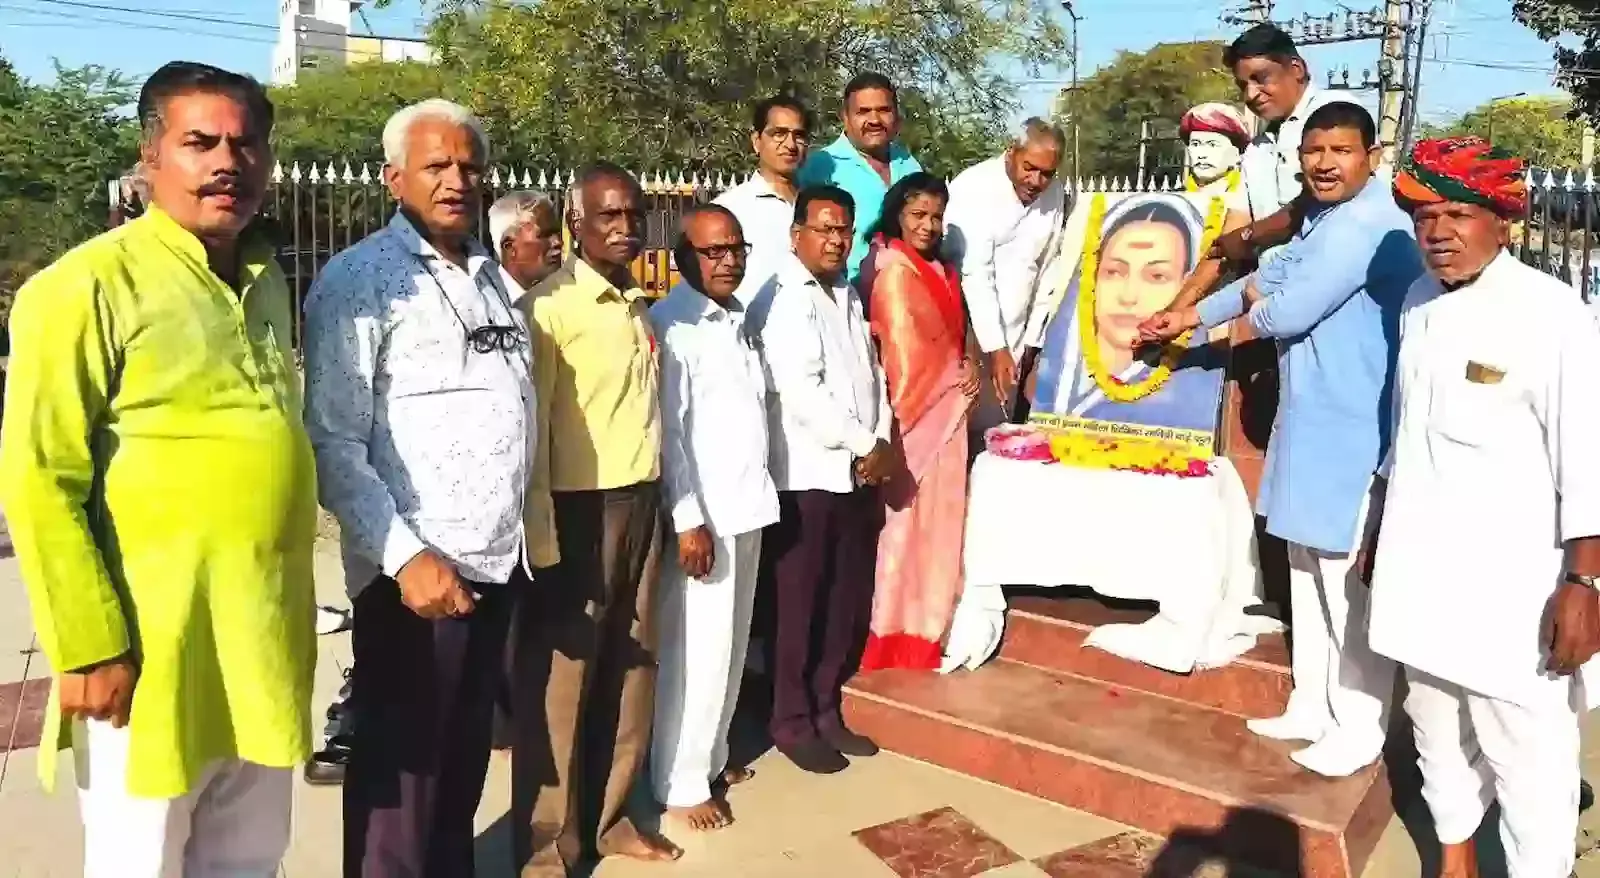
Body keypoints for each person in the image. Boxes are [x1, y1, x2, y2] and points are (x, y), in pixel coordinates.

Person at [0, 61, 316, 876]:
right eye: (200, 143)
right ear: (151, 156)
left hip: (259, 640)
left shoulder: (265, 277)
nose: (228, 163)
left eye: (246, 145)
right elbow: (40, 479)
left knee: (250, 859)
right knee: (140, 860)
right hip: (149, 656)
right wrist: (89, 647)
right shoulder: (82, 287)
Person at [1139, 103, 1421, 777]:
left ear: (1372, 157)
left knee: (1343, 584)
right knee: (1304, 568)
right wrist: (1186, 315)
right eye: (1314, 151)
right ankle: (1313, 704)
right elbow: (1262, 280)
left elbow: (1286, 310)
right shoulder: (1323, 220)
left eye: (1341, 151)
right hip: (1309, 418)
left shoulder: (1373, 224)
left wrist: (1229, 317)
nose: (1324, 163)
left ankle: (1358, 725)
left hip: (1354, 427)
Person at [303, 99, 532, 877]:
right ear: (393, 178)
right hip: (416, 578)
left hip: (494, 564)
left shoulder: (491, 276)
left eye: (469, 165)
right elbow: (333, 441)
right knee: (401, 786)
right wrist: (405, 558)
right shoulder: (360, 280)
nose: (456, 180)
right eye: (436, 165)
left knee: (459, 770)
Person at [1365, 136, 1600, 878]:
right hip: (1418, 566)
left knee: (1529, 756)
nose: (1438, 232)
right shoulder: (1417, 301)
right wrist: (1378, 523)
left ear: (1502, 221)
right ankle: (1455, 862)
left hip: (1512, 585)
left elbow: (1589, 461)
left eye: (1457, 214)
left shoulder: (1552, 315)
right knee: (1435, 728)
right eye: (1424, 217)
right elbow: (1406, 427)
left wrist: (1584, 583)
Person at [513, 162, 682, 876]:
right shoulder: (548, 307)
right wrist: (542, 535)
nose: (624, 227)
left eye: (633, 215)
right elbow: (532, 434)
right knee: (565, 684)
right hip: (579, 511)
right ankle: (549, 847)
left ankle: (610, 818)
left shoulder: (636, 303)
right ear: (576, 224)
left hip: (640, 501)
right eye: (608, 215)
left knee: (631, 668)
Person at [746, 185, 896, 773]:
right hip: (807, 476)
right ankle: (790, 719)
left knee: (841, 601)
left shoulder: (845, 293)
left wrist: (879, 438)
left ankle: (825, 708)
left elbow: (872, 375)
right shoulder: (786, 296)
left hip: (855, 473)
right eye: (824, 229)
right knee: (798, 607)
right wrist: (865, 443)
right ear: (796, 236)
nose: (836, 241)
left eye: (843, 231)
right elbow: (801, 390)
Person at [648, 206, 777, 832]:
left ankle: (712, 757)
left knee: (730, 645)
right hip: (706, 517)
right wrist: (687, 518)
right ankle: (678, 782)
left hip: (746, 505)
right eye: (713, 251)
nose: (729, 261)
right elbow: (669, 436)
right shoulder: (672, 327)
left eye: (736, 249)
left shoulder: (734, 318)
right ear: (683, 260)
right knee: (696, 653)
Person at [857, 173, 980, 671]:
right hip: (916, 419)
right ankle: (890, 632)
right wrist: (953, 376)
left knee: (940, 528)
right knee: (903, 529)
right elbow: (904, 353)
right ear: (897, 215)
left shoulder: (939, 268)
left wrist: (968, 362)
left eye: (936, 216)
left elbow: (951, 337)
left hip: (948, 414)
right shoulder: (892, 270)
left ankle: (928, 629)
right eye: (917, 215)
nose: (928, 225)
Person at [1169, 23, 1363, 307]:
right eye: (1243, 85)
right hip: (1275, 304)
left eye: (1261, 79)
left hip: (1339, 302)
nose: (1251, 94)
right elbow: (1230, 237)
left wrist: (1249, 236)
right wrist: (1175, 310)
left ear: (1296, 69)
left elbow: (1321, 203)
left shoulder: (1337, 113)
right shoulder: (1258, 149)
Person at [1031, 193, 1226, 431]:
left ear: (1186, 285)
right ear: (1093, 277)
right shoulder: (1058, 385)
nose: (1129, 296)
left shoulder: (1189, 404)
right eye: (1114, 272)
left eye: (1157, 276)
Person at [943, 118, 1067, 428]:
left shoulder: (1053, 194)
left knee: (1003, 430)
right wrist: (996, 348)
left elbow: (1047, 270)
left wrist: (1033, 344)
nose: (1036, 181)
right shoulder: (973, 187)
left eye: (1046, 173)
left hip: (1019, 334)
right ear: (1011, 152)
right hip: (969, 333)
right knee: (966, 427)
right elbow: (975, 272)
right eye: (1029, 168)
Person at [798, 72, 923, 286]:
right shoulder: (821, 167)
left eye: (883, 110)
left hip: (911, 291)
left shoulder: (908, 164)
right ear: (845, 118)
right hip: (848, 297)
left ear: (896, 117)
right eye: (863, 112)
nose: (874, 120)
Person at [715, 94, 813, 302]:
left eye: (799, 135)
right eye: (778, 134)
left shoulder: (817, 207)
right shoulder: (729, 210)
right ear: (756, 141)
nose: (790, 145)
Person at [490, 189, 566, 299]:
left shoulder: (566, 297)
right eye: (544, 235)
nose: (558, 242)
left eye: (557, 233)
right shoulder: (484, 303)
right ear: (510, 247)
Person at [1179, 103, 1250, 196]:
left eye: (1212, 145)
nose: (1201, 155)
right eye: (1195, 144)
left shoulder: (1250, 198)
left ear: (1235, 154)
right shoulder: (1177, 201)